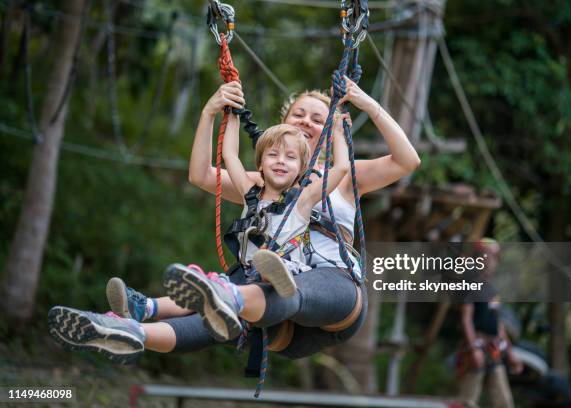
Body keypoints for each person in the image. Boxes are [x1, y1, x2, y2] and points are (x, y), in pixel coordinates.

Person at [48, 77, 420, 361]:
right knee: (230, 309)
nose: (306, 121)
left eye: (317, 118)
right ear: (282, 126)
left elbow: (407, 161)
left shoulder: (344, 175)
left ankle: (225, 295)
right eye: (298, 115)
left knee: (269, 289)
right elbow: (202, 175)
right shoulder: (263, 182)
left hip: (333, 294)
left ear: (332, 129)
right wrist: (210, 112)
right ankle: (129, 330)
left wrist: (365, 104)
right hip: (274, 319)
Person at [456, 239, 524, 408]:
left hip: (493, 347)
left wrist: (510, 354)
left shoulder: (491, 290)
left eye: (493, 258)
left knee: (503, 401)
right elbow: (466, 318)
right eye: (484, 257)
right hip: (476, 345)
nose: (489, 262)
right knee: (468, 399)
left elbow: (498, 324)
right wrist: (473, 349)